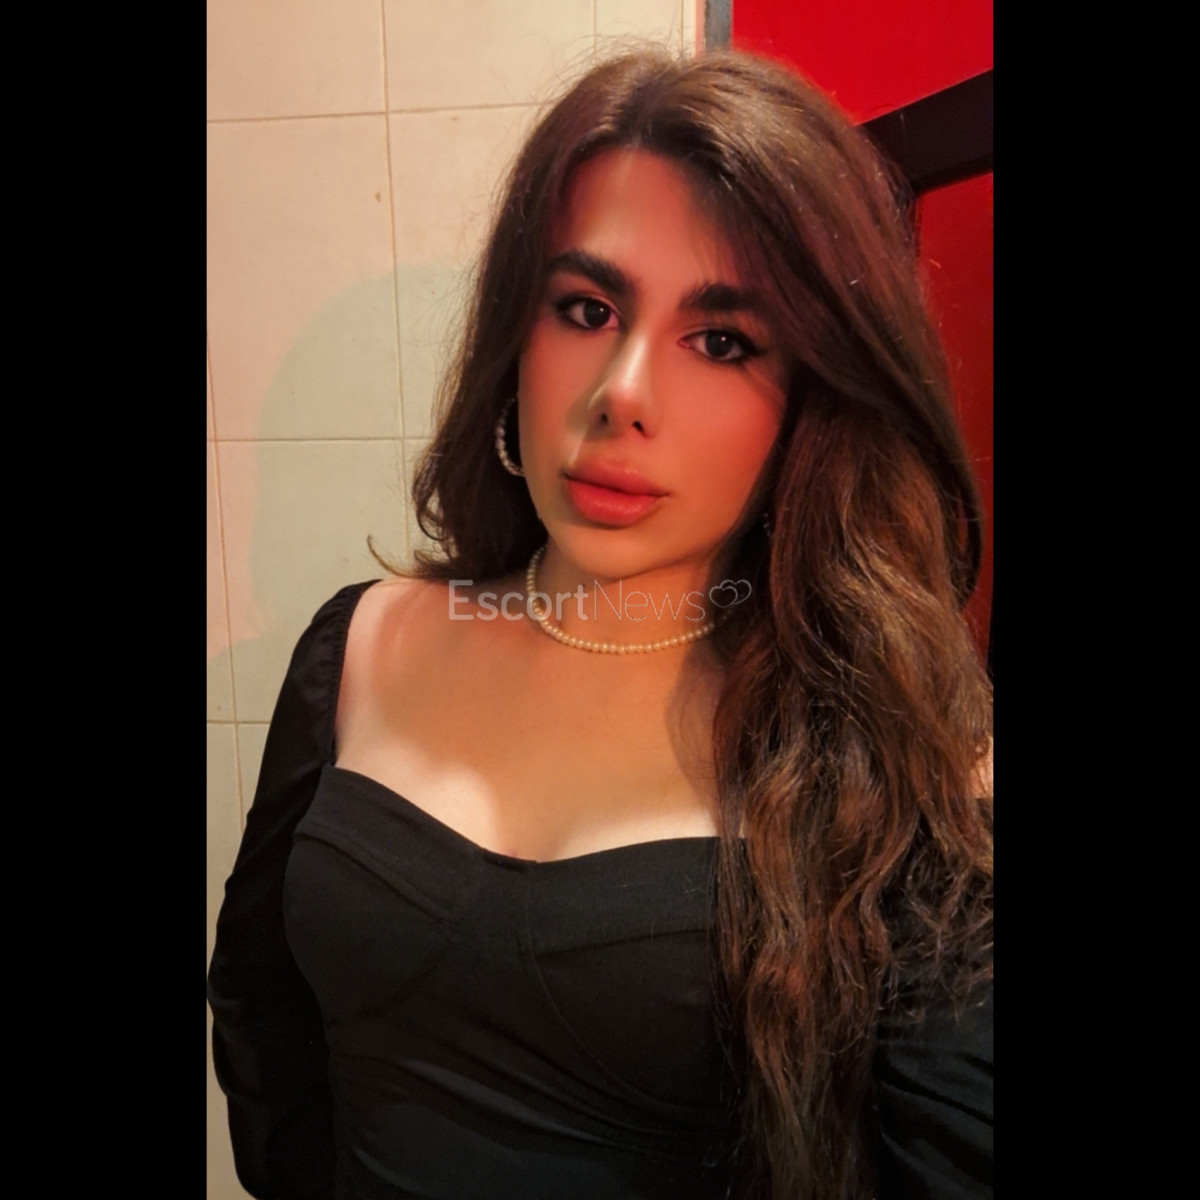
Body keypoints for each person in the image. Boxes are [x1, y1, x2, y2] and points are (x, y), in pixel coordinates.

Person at [209, 48, 993, 1200]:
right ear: (514, 339)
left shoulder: (906, 745)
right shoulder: (358, 646)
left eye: (722, 340)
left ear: (815, 403)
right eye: (587, 309)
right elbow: (261, 1015)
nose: (621, 391)